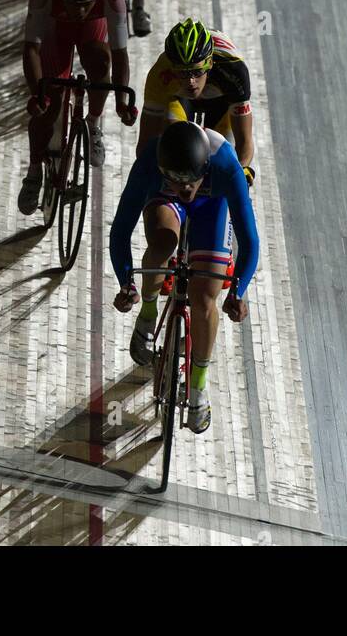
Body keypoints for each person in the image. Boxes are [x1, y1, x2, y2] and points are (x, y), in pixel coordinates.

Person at [110, 120, 259, 434]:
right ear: (164, 170)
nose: (185, 186)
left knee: (205, 296)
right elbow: (121, 230)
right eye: (177, 178)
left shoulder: (226, 167)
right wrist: (127, 282)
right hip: (166, 201)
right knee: (163, 242)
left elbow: (250, 242)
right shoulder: (150, 162)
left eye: (191, 179)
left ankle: (197, 389)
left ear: (205, 167)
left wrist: (237, 291)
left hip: (212, 206)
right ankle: (148, 315)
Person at [21, 0, 137, 214]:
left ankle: (93, 124)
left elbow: (120, 56)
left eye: (86, 3)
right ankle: (34, 170)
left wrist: (121, 102)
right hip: (55, 30)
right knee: (49, 105)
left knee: (101, 63)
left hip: (90, 33)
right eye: (73, 2)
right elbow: (31, 48)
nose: (80, 8)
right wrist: (37, 94)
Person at [136, 18, 255, 179]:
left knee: (224, 155)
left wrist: (241, 171)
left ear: (210, 63)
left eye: (196, 72)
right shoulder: (160, 73)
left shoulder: (234, 71)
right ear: (172, 67)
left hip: (222, 101)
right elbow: (146, 141)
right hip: (179, 98)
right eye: (183, 73)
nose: (190, 81)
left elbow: (244, 140)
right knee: (175, 141)